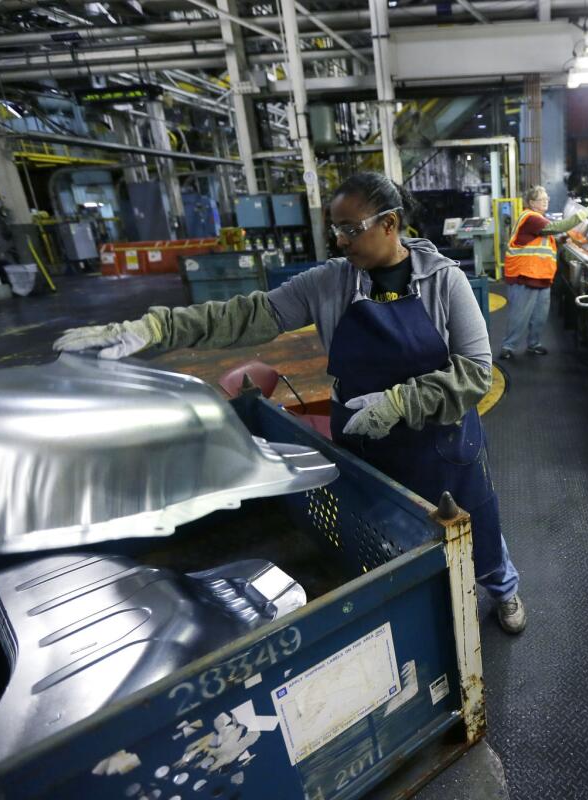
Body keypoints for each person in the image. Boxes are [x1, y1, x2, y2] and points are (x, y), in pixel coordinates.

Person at [53, 172, 527, 634]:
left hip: (437, 444)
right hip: (365, 443)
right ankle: (427, 606)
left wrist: (400, 403)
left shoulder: (445, 283)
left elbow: (474, 372)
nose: (340, 241)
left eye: (351, 229)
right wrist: (155, 328)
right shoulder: (331, 284)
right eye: (335, 230)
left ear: (390, 223)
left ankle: (503, 590)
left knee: (475, 526)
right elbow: (246, 314)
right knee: (389, 538)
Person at [499, 185, 588, 360]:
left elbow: (548, 239)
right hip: (524, 276)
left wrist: (565, 239)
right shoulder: (531, 218)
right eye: (542, 199)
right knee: (519, 316)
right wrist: (582, 215)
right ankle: (508, 347)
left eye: (547, 198)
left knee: (539, 316)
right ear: (532, 203)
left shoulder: (539, 220)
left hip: (541, 277)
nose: (546, 201)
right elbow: (557, 227)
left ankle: (534, 344)